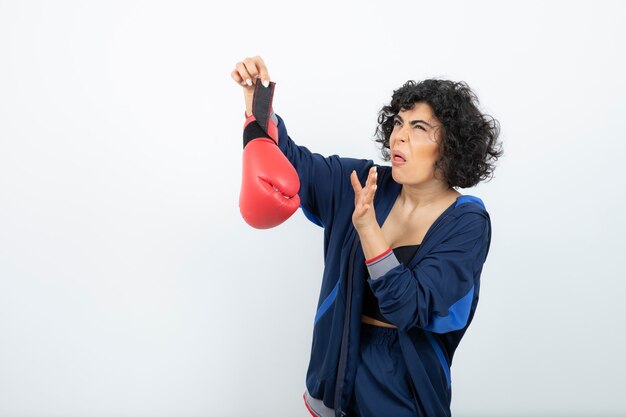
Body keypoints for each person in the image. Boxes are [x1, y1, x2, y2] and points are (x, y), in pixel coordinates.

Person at [231, 56, 503, 417]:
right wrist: (258, 104)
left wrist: (369, 230)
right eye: (398, 123)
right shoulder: (365, 181)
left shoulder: (467, 221)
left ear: (451, 146)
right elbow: (292, 164)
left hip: (403, 384)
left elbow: (410, 306)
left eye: (419, 127)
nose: (399, 135)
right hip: (338, 365)